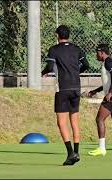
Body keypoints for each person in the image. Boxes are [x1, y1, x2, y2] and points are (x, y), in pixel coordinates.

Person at [41, 25, 89, 165]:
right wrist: (75, 73)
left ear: (57, 35)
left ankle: (70, 154)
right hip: (76, 87)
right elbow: (85, 65)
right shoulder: (76, 49)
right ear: (68, 35)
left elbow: (50, 67)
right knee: (74, 120)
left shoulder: (54, 50)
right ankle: (77, 152)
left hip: (63, 88)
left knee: (61, 122)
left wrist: (43, 73)